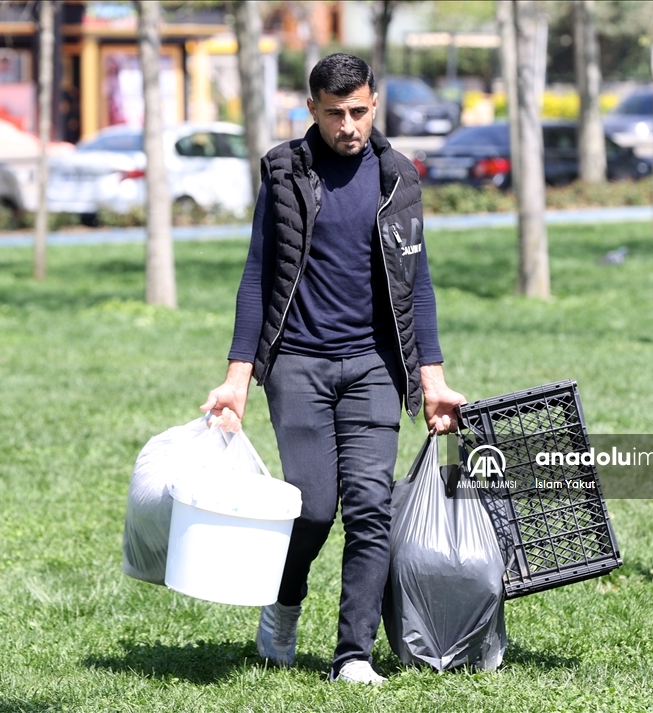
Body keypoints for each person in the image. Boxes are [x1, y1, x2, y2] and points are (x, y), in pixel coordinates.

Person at [201, 53, 464, 685]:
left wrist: (432, 379)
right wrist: (238, 378)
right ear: (312, 108)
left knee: (370, 507)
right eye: (334, 113)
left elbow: (416, 282)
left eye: (359, 111)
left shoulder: (398, 176)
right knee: (314, 509)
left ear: (374, 103)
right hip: (298, 363)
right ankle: (285, 602)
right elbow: (258, 276)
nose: (348, 125)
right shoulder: (286, 173)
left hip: (376, 368)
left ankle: (353, 654)